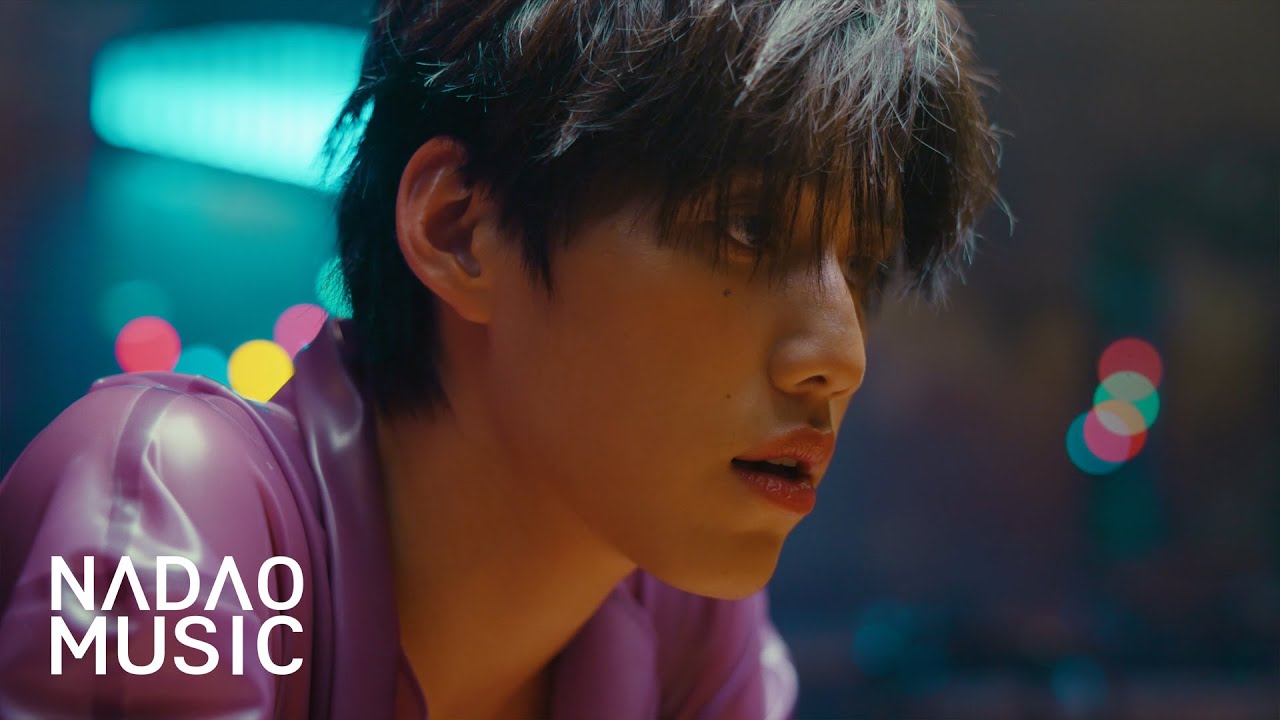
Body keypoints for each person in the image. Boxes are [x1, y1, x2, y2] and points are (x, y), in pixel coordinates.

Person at [0, 0, 1003, 717]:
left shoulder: (689, 618)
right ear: (459, 230)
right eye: (744, 229)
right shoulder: (175, 506)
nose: (839, 357)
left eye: (861, 268)